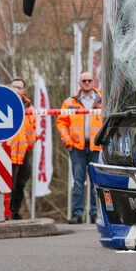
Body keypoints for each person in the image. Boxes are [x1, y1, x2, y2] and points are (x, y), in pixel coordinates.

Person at [56, 71, 102, 224]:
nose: (87, 83)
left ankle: (95, 213)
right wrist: (68, 142)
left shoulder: (103, 99)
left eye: (89, 80)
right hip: (77, 148)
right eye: (84, 81)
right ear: (79, 83)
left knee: (96, 182)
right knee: (78, 181)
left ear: (93, 82)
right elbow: (61, 122)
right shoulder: (69, 102)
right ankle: (77, 213)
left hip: (96, 147)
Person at [7, 77, 37, 220]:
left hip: (25, 151)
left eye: (19, 87)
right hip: (9, 151)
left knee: (21, 182)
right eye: (14, 87)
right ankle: (4, 211)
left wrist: (30, 145)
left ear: (24, 90)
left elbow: (33, 129)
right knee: (8, 183)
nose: (16, 90)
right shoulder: (4, 103)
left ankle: (14, 210)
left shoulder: (29, 107)